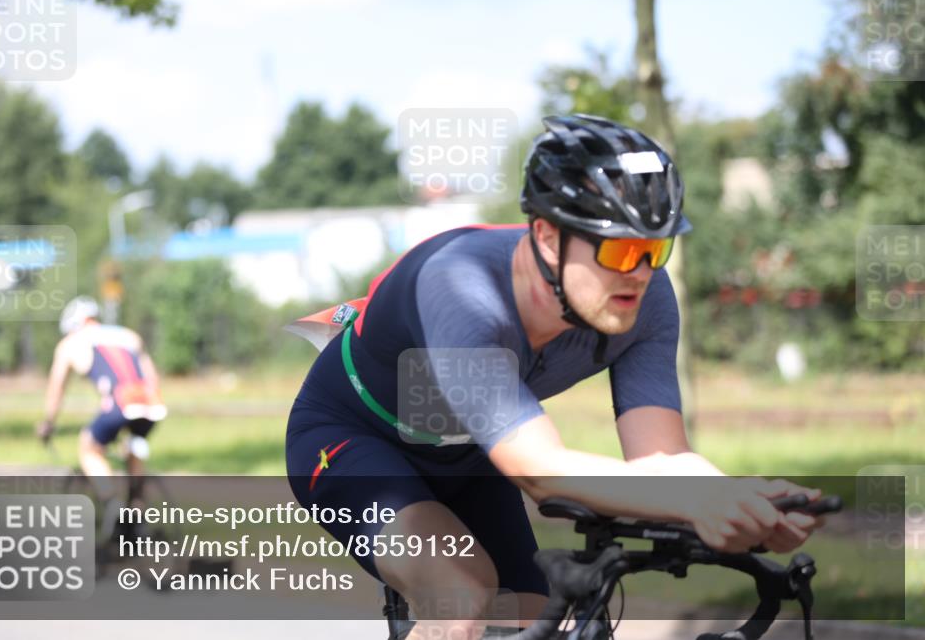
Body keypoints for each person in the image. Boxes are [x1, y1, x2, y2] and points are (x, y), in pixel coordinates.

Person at [285, 115, 823, 639]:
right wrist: (695, 501)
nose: (638, 272)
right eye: (619, 249)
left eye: (655, 249)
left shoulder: (647, 300)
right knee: (462, 592)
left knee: (532, 615)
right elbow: (538, 470)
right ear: (546, 236)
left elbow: (660, 458)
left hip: (467, 454)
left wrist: (743, 500)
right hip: (351, 441)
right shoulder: (459, 285)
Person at [38, 296, 166, 498]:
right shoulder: (129, 335)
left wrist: (48, 422)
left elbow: (57, 388)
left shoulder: (70, 343)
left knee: (89, 448)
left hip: (119, 403)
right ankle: (138, 514)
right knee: (134, 445)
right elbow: (151, 377)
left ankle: (111, 501)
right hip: (151, 404)